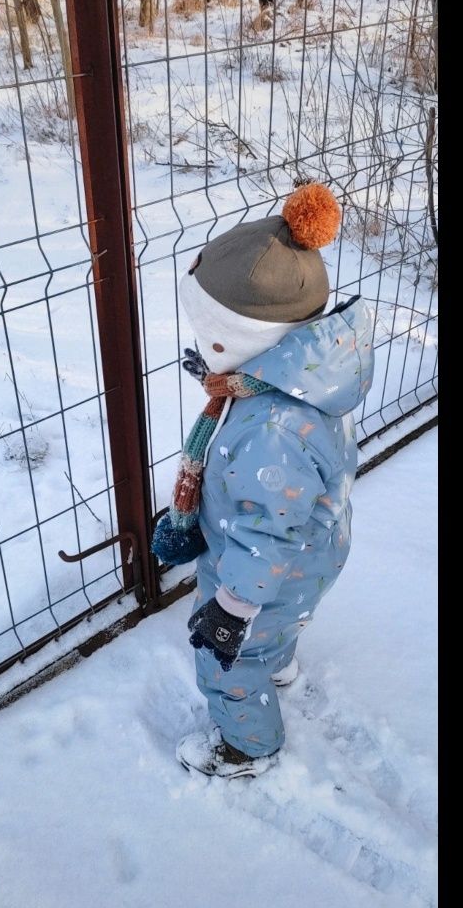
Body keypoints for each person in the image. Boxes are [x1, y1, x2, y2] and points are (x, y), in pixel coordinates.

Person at [152, 182, 374, 777]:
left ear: (242, 339)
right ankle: (275, 658)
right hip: (304, 549)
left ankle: (248, 745)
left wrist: (232, 605)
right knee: (269, 625)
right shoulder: (288, 380)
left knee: (226, 660)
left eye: (210, 336)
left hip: (274, 560)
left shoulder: (272, 429)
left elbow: (265, 533)